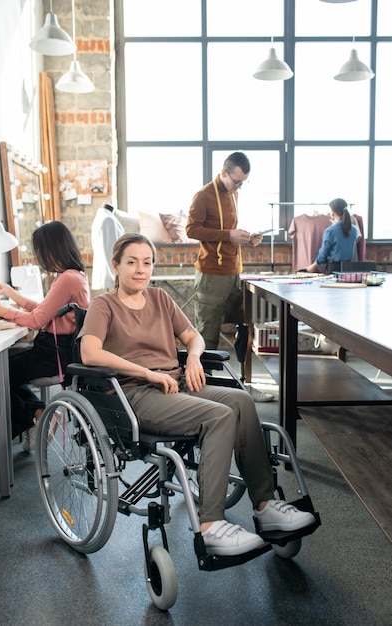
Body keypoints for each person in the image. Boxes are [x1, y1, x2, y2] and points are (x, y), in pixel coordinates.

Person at [78, 232, 314, 556]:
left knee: (241, 401)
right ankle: (211, 525)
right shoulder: (104, 305)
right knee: (219, 416)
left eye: (146, 263)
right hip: (133, 394)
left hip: (175, 383)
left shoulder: (160, 299)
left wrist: (191, 356)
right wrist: (147, 372)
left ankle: (265, 505)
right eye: (131, 262)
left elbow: (194, 337)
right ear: (115, 265)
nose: (140, 269)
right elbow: (90, 353)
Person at [0, 221, 90, 451]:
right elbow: (44, 309)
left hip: (53, 355)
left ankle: (33, 420)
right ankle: (39, 413)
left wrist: (2, 311)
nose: (39, 258)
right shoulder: (74, 276)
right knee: (3, 369)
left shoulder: (66, 278)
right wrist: (10, 295)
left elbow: (37, 320)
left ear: (50, 250)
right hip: (60, 351)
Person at [186, 151, 273, 402]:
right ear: (223, 173)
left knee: (244, 326)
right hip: (211, 275)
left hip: (234, 273)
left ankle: (244, 384)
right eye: (236, 182)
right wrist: (229, 235)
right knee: (207, 335)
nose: (239, 187)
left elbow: (228, 233)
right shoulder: (203, 195)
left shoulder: (232, 194)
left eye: (243, 183)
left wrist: (247, 238)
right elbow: (191, 229)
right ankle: (204, 393)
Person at [306, 198, 360, 274]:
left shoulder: (330, 231)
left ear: (332, 212)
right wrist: (335, 224)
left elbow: (323, 253)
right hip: (349, 268)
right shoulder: (354, 229)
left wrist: (313, 266)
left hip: (334, 268)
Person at [91, 202, 125, 290]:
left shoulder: (100, 218)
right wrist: (116, 275)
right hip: (110, 273)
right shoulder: (107, 220)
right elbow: (110, 250)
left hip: (106, 271)